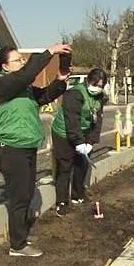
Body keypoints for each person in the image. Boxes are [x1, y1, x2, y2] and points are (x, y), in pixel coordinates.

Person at [0, 44, 72, 257]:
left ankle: (21, 235)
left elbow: (45, 96)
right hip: (11, 149)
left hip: (26, 146)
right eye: (18, 60)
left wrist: (61, 79)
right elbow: (26, 76)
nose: (23, 63)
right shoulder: (2, 85)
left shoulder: (23, 89)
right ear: (5, 66)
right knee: (19, 196)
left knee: (26, 194)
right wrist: (49, 52)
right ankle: (17, 246)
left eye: (22, 59)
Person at [51, 68, 108, 217]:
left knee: (82, 164)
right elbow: (72, 120)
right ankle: (61, 202)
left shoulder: (100, 97)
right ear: (88, 81)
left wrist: (90, 140)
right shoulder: (74, 94)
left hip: (83, 133)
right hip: (63, 133)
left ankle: (78, 194)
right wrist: (78, 142)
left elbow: (98, 119)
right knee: (65, 166)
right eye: (95, 85)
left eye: (101, 86)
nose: (98, 88)